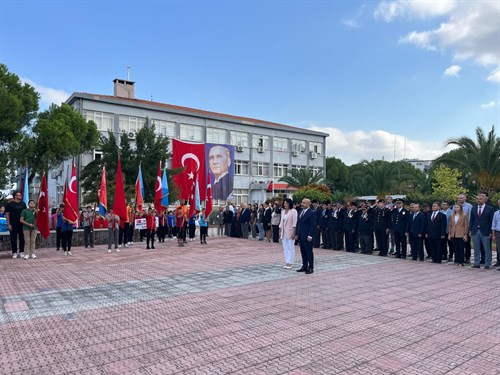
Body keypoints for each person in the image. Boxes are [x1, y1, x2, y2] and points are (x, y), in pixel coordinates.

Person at [469, 193, 495, 269]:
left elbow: (491, 221)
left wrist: (490, 232)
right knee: (476, 248)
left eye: (480, 199)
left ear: (484, 199)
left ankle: (487, 264)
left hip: (485, 231)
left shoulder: (490, 208)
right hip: (475, 230)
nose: (478, 200)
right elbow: (472, 220)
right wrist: (470, 230)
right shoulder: (473, 208)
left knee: (487, 248)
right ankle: (476, 263)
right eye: (477, 199)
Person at [295, 198, 317, 274]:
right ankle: (304, 266)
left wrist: (310, 235)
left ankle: (311, 267)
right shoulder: (300, 212)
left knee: (309, 252)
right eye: (302, 202)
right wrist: (297, 234)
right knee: (303, 252)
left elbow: (313, 225)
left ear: (308, 204)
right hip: (301, 235)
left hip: (307, 236)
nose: (302, 204)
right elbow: (298, 224)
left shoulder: (311, 212)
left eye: (304, 203)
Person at [5, 191, 27, 259]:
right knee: (13, 239)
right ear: (15, 196)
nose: (20, 196)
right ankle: (14, 252)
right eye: (18, 195)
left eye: (20, 195)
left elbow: (25, 213)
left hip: (22, 224)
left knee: (22, 238)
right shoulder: (9, 204)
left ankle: (21, 251)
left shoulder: (23, 204)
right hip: (13, 224)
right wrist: (9, 224)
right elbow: (7, 214)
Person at [279, 198, 297, 269]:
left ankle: (291, 262)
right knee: (285, 247)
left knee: (291, 247)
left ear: (290, 204)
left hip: (290, 231)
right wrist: (280, 231)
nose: (285, 204)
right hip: (284, 232)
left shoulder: (293, 211)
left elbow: (294, 223)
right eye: (284, 203)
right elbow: (281, 222)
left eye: (287, 203)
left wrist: (294, 232)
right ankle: (287, 261)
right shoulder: (283, 211)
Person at [492, 198, 500, 270]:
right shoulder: (496, 213)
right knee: (498, 248)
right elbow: (493, 224)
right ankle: (498, 262)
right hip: (498, 233)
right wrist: (493, 235)